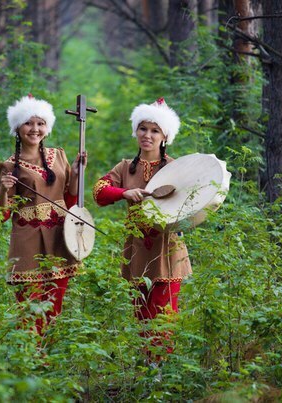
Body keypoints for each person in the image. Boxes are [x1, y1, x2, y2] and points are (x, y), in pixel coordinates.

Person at [92, 98, 192, 357]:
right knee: (141, 312)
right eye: (143, 128)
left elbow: (193, 202)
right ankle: (149, 365)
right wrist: (125, 192)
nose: (147, 135)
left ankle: (160, 369)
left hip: (167, 246)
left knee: (164, 311)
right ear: (136, 131)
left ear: (164, 135)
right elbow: (100, 192)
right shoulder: (126, 167)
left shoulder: (176, 167)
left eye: (155, 130)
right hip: (136, 246)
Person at [0, 94, 84, 335]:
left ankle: (48, 356)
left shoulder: (60, 156)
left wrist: (75, 173)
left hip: (58, 236)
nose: (34, 129)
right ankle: (31, 357)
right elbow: (1, 214)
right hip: (28, 239)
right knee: (30, 302)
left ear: (47, 127)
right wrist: (3, 189)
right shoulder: (9, 165)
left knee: (55, 301)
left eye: (40, 123)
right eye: (28, 123)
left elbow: (70, 198)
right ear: (17, 128)